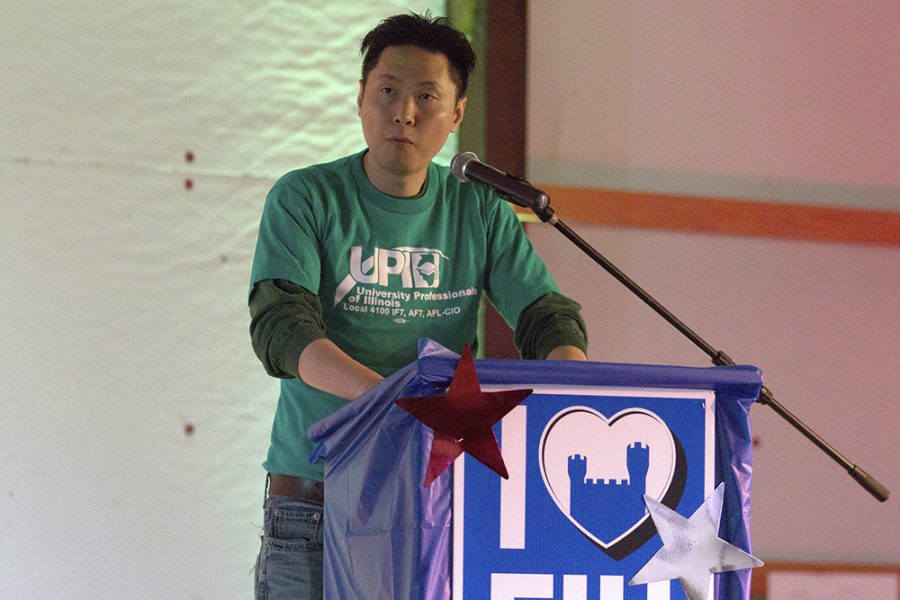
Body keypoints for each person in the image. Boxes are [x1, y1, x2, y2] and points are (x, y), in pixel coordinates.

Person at [248, 12, 588, 599]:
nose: (403, 112)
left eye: (426, 97)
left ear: (455, 115)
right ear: (360, 99)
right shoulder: (305, 197)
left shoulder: (478, 209)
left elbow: (545, 316)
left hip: (435, 503)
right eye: (387, 91)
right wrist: (395, 406)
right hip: (315, 501)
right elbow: (283, 330)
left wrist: (571, 383)